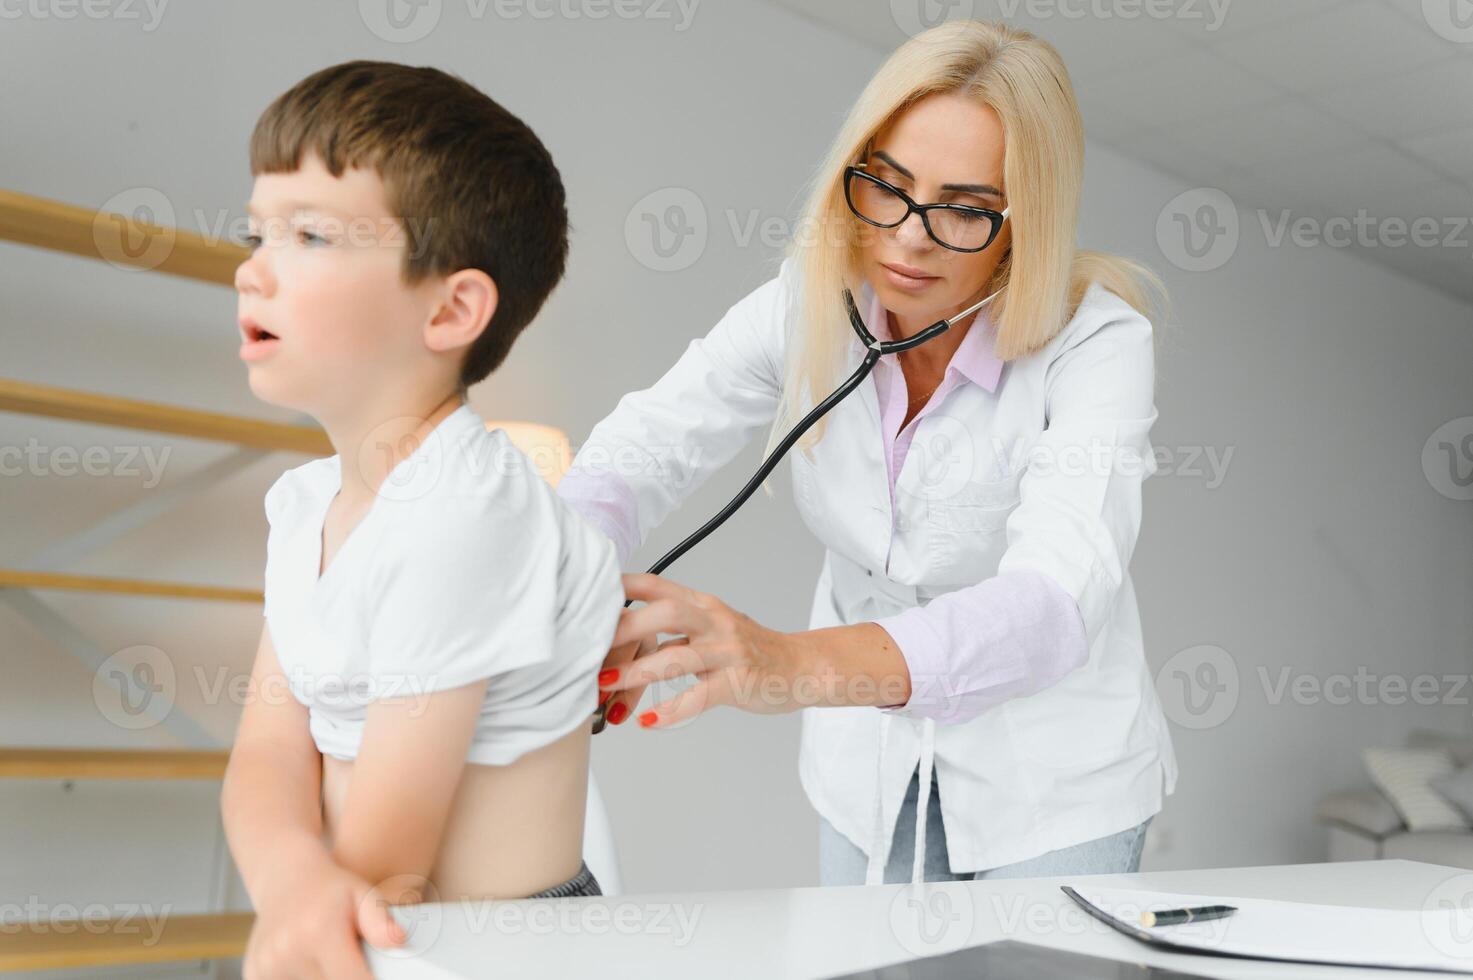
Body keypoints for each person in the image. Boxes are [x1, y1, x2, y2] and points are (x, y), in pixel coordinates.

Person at [563, 20, 1179, 887]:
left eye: (963, 208)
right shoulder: (807, 303)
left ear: (1022, 221)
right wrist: (557, 587)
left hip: (1048, 785)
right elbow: (643, 448)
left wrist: (782, 663)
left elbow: (1051, 605)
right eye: (885, 186)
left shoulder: (1096, 343)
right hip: (866, 767)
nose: (907, 236)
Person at [220, 61, 626, 978]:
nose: (252, 269)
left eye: (310, 235)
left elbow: (392, 858)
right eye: (257, 232)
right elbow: (266, 753)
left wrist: (315, 904)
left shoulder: (464, 513)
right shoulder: (304, 506)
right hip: (381, 925)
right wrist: (291, 883)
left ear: (450, 308)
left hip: (498, 949)